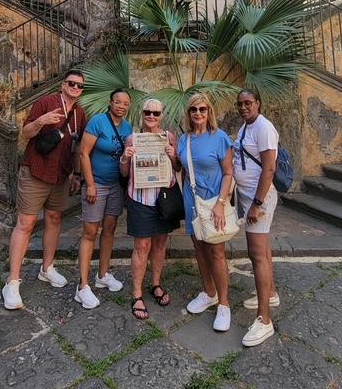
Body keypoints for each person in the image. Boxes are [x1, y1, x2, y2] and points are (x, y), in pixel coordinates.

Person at [2, 70, 87, 310]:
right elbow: (25, 133)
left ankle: (47, 268)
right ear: (63, 84)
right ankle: (12, 281)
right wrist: (42, 121)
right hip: (36, 171)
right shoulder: (46, 102)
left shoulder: (80, 113)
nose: (75, 88)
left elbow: (77, 146)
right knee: (26, 224)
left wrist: (77, 175)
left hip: (60, 174)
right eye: (72, 83)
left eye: (80, 86)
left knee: (54, 218)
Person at [120, 98, 182, 320]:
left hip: (164, 198)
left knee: (160, 243)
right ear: (142, 114)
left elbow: (177, 167)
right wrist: (125, 158)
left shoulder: (169, 137)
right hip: (140, 198)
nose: (151, 117)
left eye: (156, 113)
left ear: (162, 116)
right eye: (148, 112)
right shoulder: (132, 139)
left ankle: (155, 284)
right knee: (142, 246)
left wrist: (173, 156)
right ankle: (137, 294)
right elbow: (125, 173)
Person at [177, 93, 234, 332]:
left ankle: (224, 304)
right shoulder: (184, 139)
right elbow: (181, 167)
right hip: (192, 201)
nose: (198, 113)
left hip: (213, 201)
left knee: (217, 251)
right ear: (189, 113)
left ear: (209, 111)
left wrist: (221, 203)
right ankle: (209, 292)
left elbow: (229, 173)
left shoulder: (219, 138)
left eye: (202, 109)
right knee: (199, 246)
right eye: (194, 109)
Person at [75, 89, 133, 309]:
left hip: (115, 185)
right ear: (111, 103)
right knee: (90, 231)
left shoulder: (128, 128)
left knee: (110, 228)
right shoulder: (98, 122)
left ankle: (103, 274)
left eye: (125, 103)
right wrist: (89, 184)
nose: (121, 106)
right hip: (96, 183)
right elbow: (83, 152)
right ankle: (82, 285)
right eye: (118, 102)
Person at [233, 88, 279, 347]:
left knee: (256, 254)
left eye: (248, 103)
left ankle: (264, 320)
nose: (243, 107)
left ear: (258, 103)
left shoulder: (264, 128)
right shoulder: (246, 127)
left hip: (258, 199)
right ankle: (270, 293)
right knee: (264, 249)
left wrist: (256, 204)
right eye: (240, 104)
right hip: (248, 197)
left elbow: (269, 168)